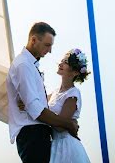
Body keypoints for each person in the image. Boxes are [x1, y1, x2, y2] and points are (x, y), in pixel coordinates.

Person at [6, 22, 78, 163]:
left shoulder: (29, 65)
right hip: (32, 133)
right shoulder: (23, 65)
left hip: (36, 134)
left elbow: (35, 104)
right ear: (33, 40)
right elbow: (36, 110)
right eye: (47, 45)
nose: (50, 50)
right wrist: (69, 124)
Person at [48, 48, 91, 162]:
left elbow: (60, 127)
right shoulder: (54, 93)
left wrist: (43, 115)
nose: (61, 64)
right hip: (55, 144)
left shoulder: (73, 94)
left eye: (66, 62)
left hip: (66, 146)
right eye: (62, 61)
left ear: (75, 72)